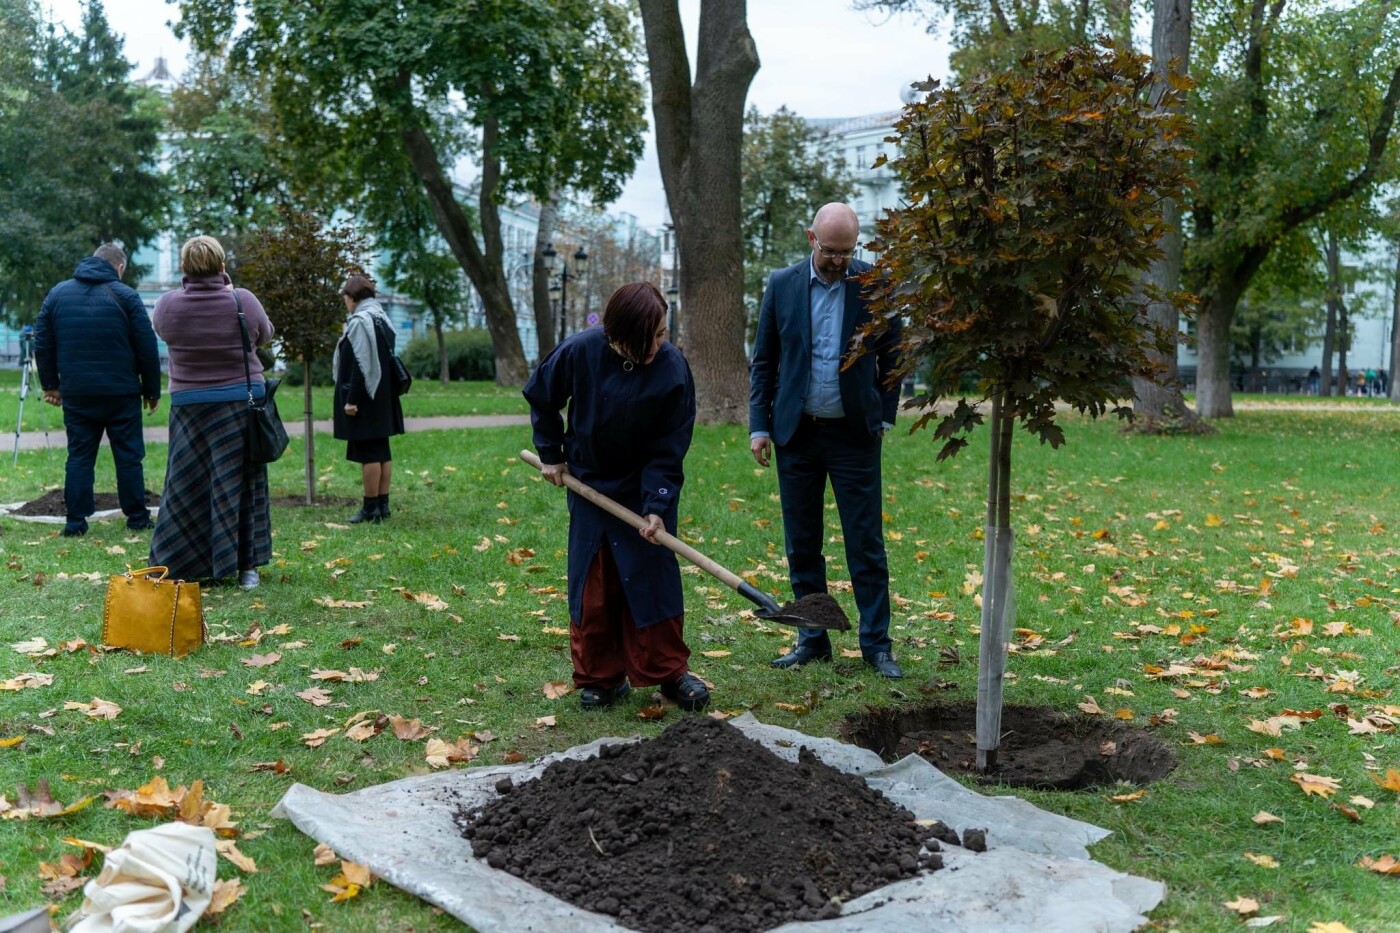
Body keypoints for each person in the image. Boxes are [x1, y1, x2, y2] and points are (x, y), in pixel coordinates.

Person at [523, 282, 708, 712]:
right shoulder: (581, 350)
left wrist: (657, 507)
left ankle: (668, 672)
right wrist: (551, 454)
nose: (658, 346)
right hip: (590, 484)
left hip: (645, 488)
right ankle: (600, 677)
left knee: (652, 577)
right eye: (649, 338)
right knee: (595, 585)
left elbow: (670, 445)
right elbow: (541, 396)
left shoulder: (672, 368)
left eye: (663, 334)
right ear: (615, 335)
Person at [749, 202, 904, 679]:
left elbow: (894, 355)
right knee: (802, 544)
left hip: (855, 434)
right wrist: (759, 425)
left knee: (865, 543)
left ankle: (876, 646)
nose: (839, 260)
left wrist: (883, 417)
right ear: (811, 238)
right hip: (796, 434)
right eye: (831, 250)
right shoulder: (782, 285)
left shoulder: (875, 284)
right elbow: (765, 361)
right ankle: (811, 638)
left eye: (847, 251)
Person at [148, 236, 274, 590]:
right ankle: (247, 568)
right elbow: (265, 335)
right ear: (222, 265)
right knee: (243, 483)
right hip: (239, 403)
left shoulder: (167, 305)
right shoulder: (241, 299)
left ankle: (180, 563)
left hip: (190, 407)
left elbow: (163, 332)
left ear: (184, 268)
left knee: (186, 485)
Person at [33, 243, 160, 537]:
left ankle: (75, 522)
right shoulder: (126, 296)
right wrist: (151, 391)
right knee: (128, 456)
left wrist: (51, 385)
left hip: (78, 393)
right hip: (122, 392)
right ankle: (137, 518)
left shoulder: (58, 294)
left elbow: (43, 342)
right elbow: (146, 347)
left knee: (79, 456)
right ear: (120, 268)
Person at [333, 275, 406, 524]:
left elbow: (360, 364)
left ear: (352, 297)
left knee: (369, 453)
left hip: (366, 396)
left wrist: (352, 400)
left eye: (345, 297)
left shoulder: (361, 321)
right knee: (381, 451)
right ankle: (382, 505)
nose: (345, 301)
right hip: (382, 394)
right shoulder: (380, 316)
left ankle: (370, 508)